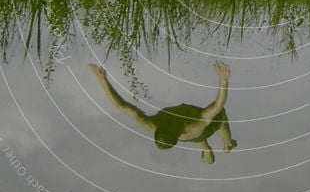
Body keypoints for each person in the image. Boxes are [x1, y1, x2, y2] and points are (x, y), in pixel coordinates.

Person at [89, 60, 237, 162]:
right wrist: (223, 80)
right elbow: (217, 106)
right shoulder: (191, 128)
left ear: (158, 128)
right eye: (173, 125)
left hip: (192, 124)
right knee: (219, 115)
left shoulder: (151, 124)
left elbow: (122, 106)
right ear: (177, 131)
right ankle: (228, 144)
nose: (169, 123)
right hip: (199, 129)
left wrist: (102, 80)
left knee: (198, 136)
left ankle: (206, 151)